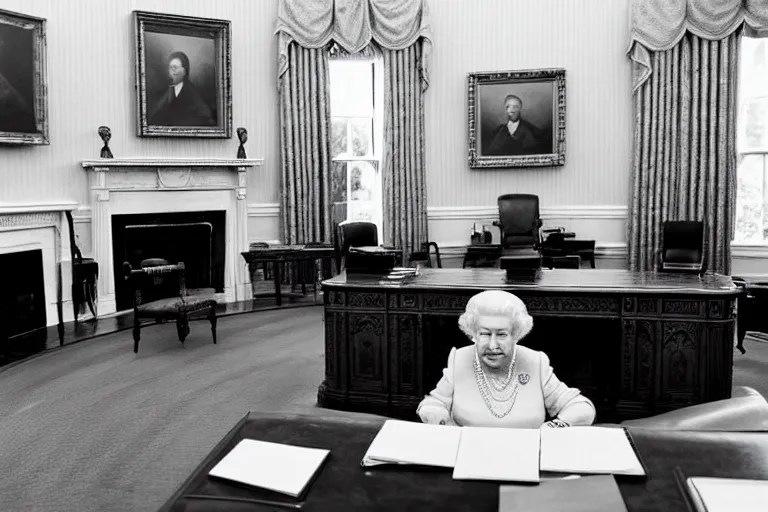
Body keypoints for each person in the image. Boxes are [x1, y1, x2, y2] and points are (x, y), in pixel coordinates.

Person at [417, 290, 595, 428]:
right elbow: (433, 403)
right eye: (485, 334)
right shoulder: (459, 359)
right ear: (473, 334)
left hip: (526, 457)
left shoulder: (535, 362)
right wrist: (437, 416)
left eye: (502, 334)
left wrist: (556, 426)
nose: (492, 345)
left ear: (515, 335)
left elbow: (582, 408)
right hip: (470, 455)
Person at [149, 51, 215, 127]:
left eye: (175, 68)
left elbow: (205, 115)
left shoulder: (192, 92)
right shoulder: (168, 92)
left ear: (184, 71)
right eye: (170, 68)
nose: (172, 71)